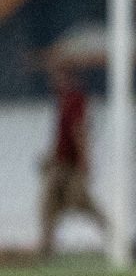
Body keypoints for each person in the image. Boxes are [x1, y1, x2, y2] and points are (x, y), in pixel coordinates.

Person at [39, 59, 107, 258]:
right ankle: (47, 248)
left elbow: (79, 131)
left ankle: (113, 237)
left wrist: (85, 160)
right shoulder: (63, 100)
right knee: (49, 205)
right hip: (61, 163)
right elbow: (63, 137)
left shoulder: (75, 99)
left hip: (70, 165)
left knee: (79, 201)